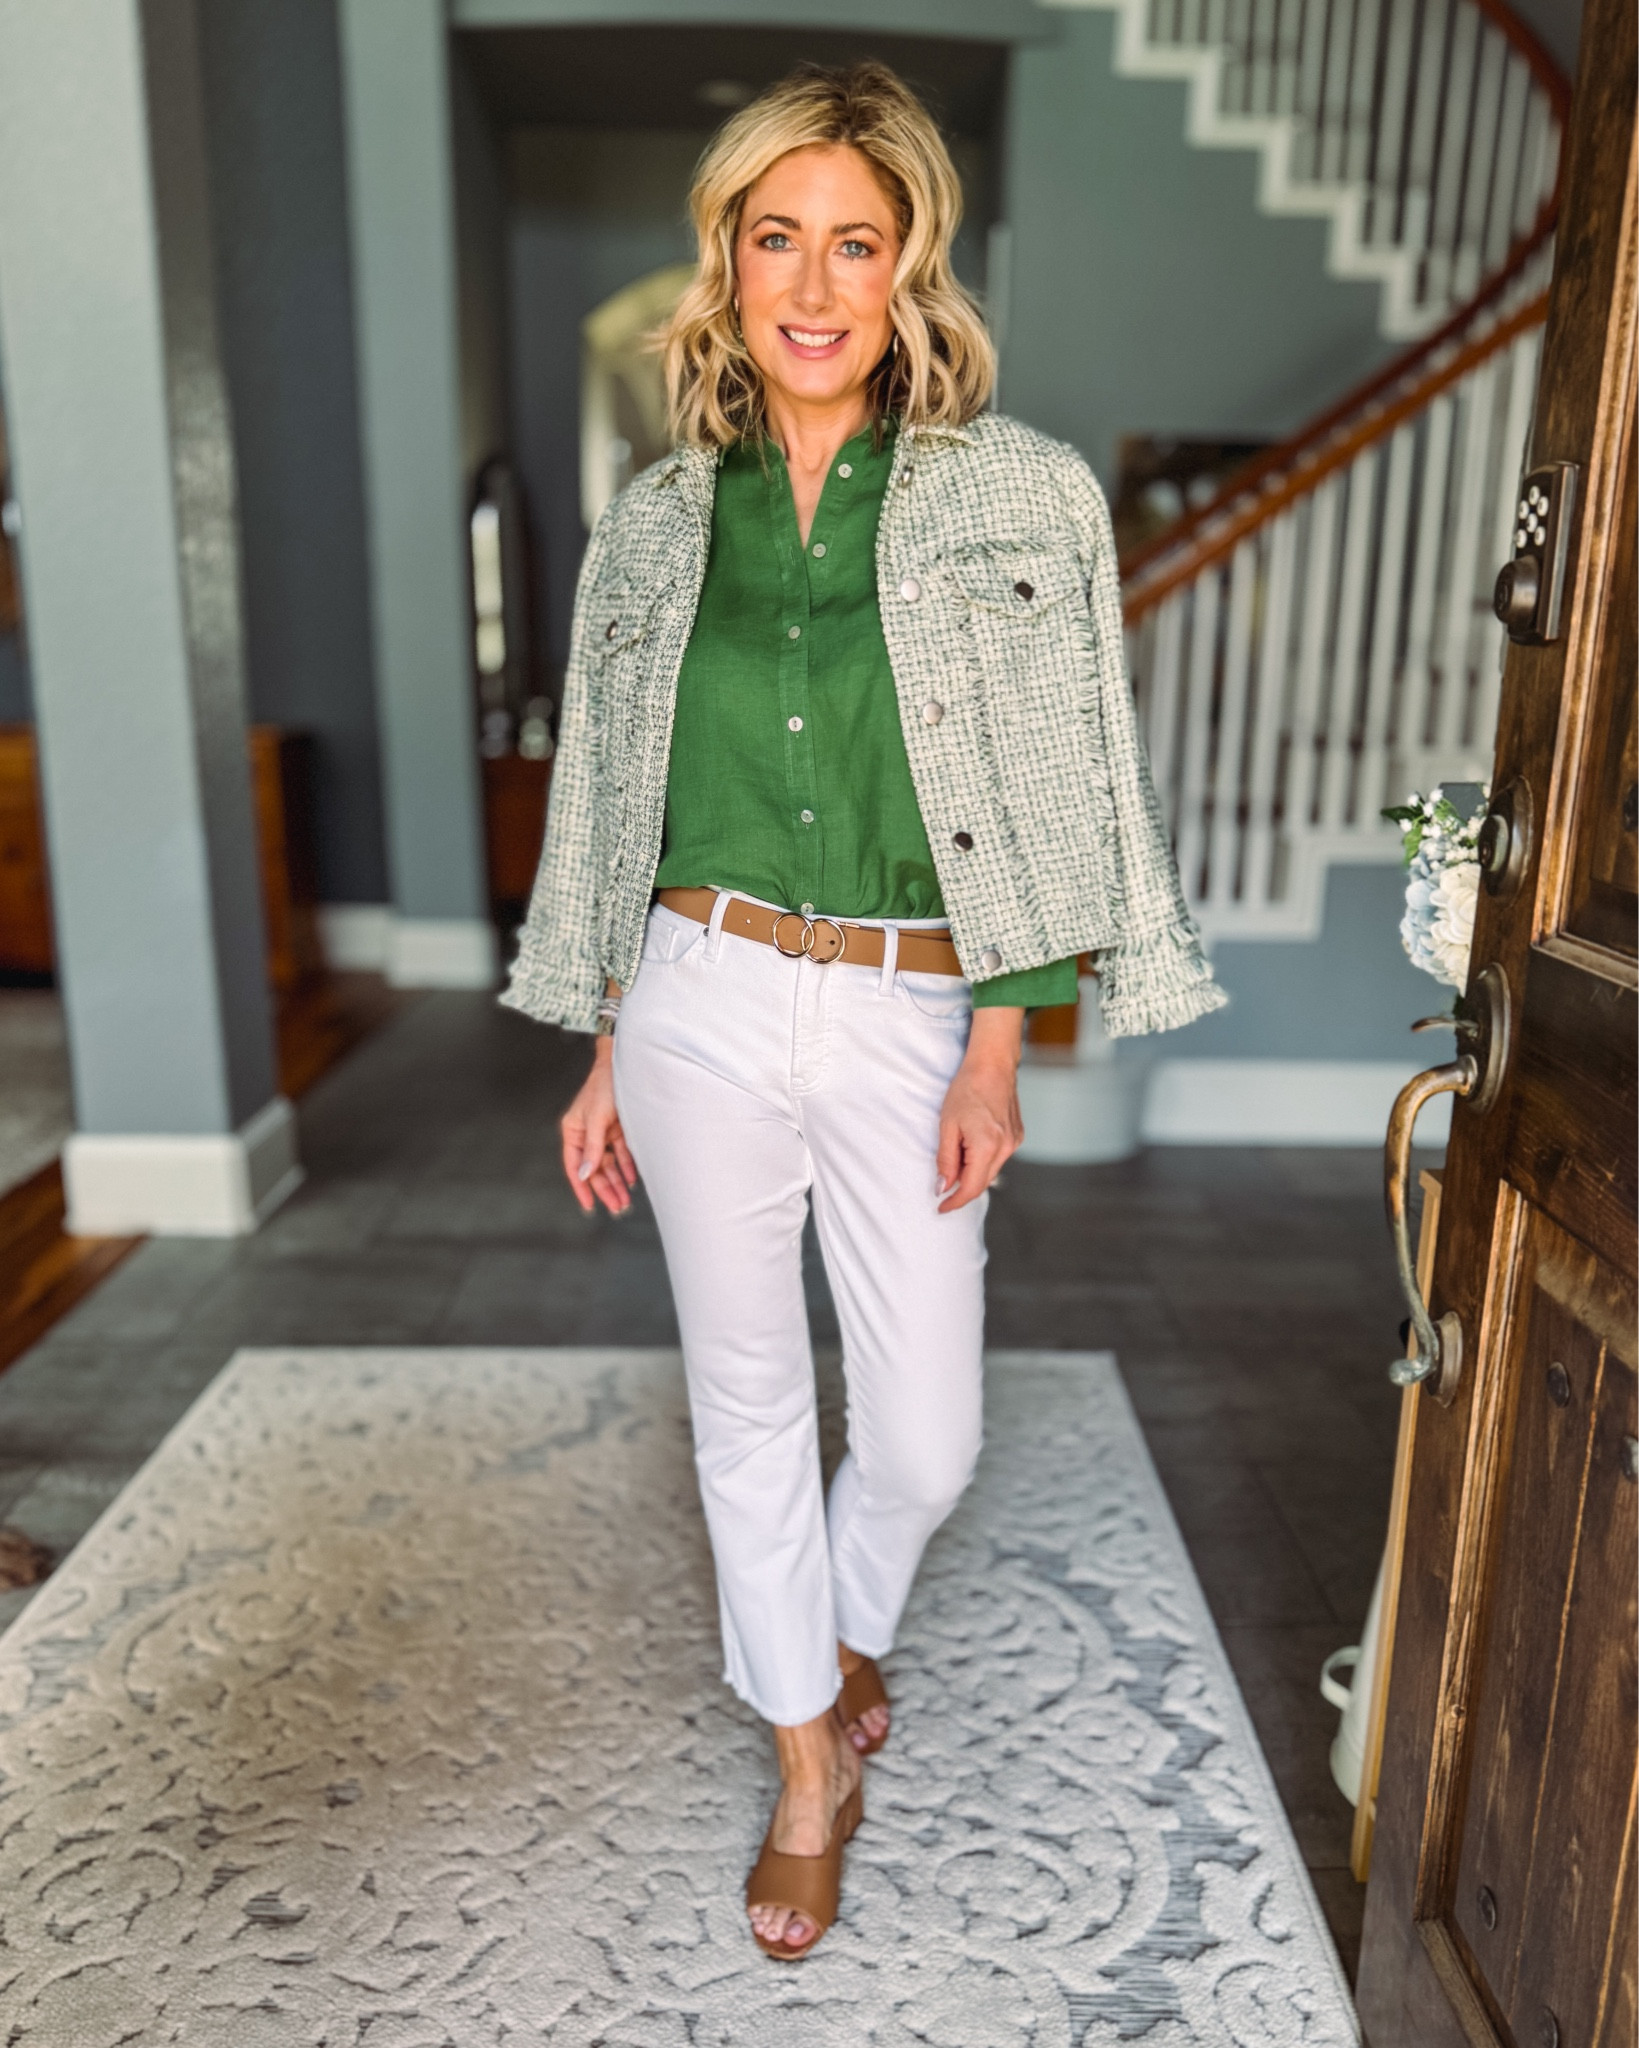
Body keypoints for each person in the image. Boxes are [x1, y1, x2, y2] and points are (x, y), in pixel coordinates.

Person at [502, 60, 1225, 1961]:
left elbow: (1067, 785)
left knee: (921, 1440)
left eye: (857, 243)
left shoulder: (1024, 499)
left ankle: (840, 1634)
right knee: (744, 1401)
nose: (811, 285)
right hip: (698, 995)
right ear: (727, 262)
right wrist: (602, 1042)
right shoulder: (658, 525)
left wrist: (1003, 1040)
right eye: (776, 240)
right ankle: (809, 1761)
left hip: (913, 1015)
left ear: (911, 272)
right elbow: (612, 790)